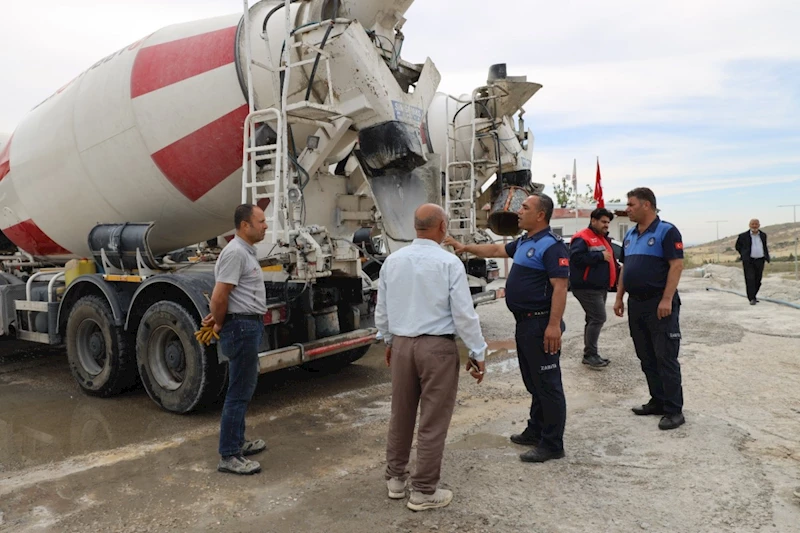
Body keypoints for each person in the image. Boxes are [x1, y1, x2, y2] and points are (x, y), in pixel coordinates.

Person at [376, 203, 487, 512]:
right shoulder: (448, 263)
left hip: (401, 345)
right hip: (436, 348)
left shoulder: (393, 261)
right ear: (442, 227)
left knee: (401, 413)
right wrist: (477, 352)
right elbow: (464, 314)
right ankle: (423, 491)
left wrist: (387, 339)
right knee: (433, 420)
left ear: (416, 227)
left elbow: (382, 308)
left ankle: (396, 479)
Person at [444, 193, 569, 463]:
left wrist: (554, 326)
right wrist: (464, 248)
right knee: (534, 382)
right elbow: (496, 250)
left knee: (548, 385)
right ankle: (536, 430)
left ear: (540, 215)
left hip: (541, 323)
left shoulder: (551, 246)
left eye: (524, 207)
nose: (518, 212)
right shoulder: (525, 241)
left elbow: (560, 287)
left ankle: (552, 444)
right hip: (524, 323)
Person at [202, 204, 269, 475]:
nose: (265, 225)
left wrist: (219, 318)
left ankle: (237, 442)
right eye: (261, 221)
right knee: (238, 393)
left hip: (247, 325)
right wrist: (218, 321)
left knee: (243, 389)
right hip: (240, 327)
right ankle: (229, 455)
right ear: (245, 225)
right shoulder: (235, 254)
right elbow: (220, 296)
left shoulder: (244, 252)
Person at [613, 188, 685, 430]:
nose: (628, 208)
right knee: (646, 356)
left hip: (659, 303)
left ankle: (674, 411)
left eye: (631, 204)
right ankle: (658, 400)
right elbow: (625, 268)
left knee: (665, 356)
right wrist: (619, 297)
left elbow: (676, 266)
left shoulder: (666, 231)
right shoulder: (631, 235)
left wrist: (666, 299)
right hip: (636, 303)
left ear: (646, 205)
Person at [569, 207, 617, 369]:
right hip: (586, 287)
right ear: (593, 221)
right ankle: (590, 355)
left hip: (599, 287)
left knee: (592, 319)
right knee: (598, 318)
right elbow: (575, 258)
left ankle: (590, 353)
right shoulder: (582, 238)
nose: (606, 225)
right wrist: (599, 256)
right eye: (603, 222)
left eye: (608, 223)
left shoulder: (602, 238)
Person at [734, 219, 770, 305]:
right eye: (752, 224)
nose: (754, 226)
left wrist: (766, 256)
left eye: (756, 224)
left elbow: (764, 246)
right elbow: (737, 246)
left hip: (760, 260)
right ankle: (752, 298)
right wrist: (744, 254)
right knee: (750, 279)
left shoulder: (763, 235)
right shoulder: (743, 236)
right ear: (749, 225)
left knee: (758, 279)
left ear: (759, 225)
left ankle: (754, 295)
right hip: (749, 261)